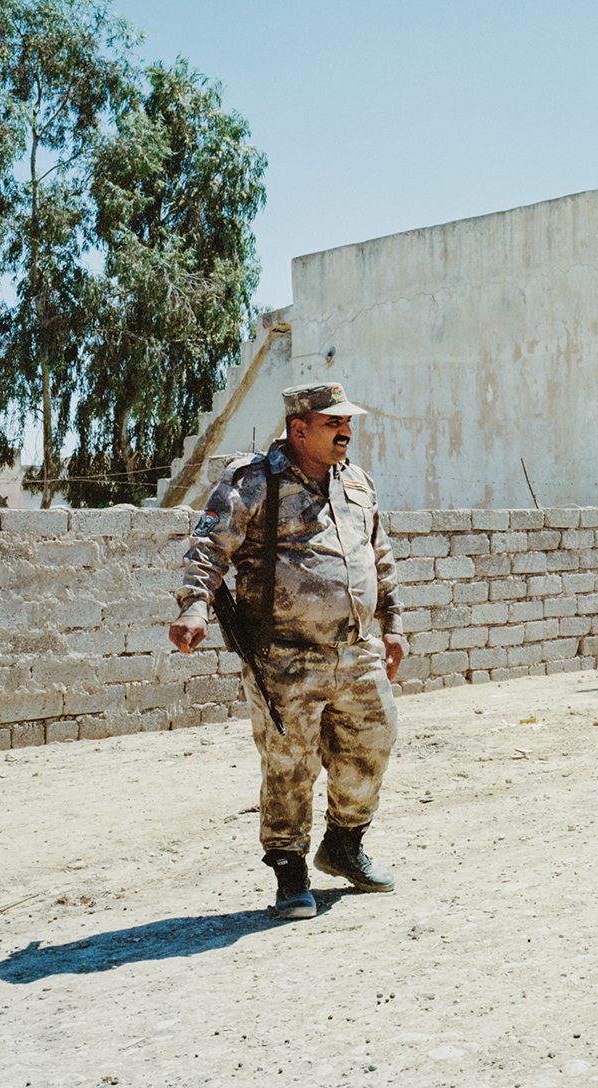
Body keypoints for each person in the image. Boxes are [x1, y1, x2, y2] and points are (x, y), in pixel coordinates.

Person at [170, 382, 407, 918]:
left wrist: (392, 623)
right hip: (284, 655)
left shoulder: (358, 483)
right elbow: (209, 548)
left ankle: (344, 846)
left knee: (372, 746)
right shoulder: (253, 482)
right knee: (289, 763)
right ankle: (290, 871)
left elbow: (380, 555)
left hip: (357, 650)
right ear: (299, 428)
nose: (346, 431)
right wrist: (194, 608)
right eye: (333, 423)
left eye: (348, 423)